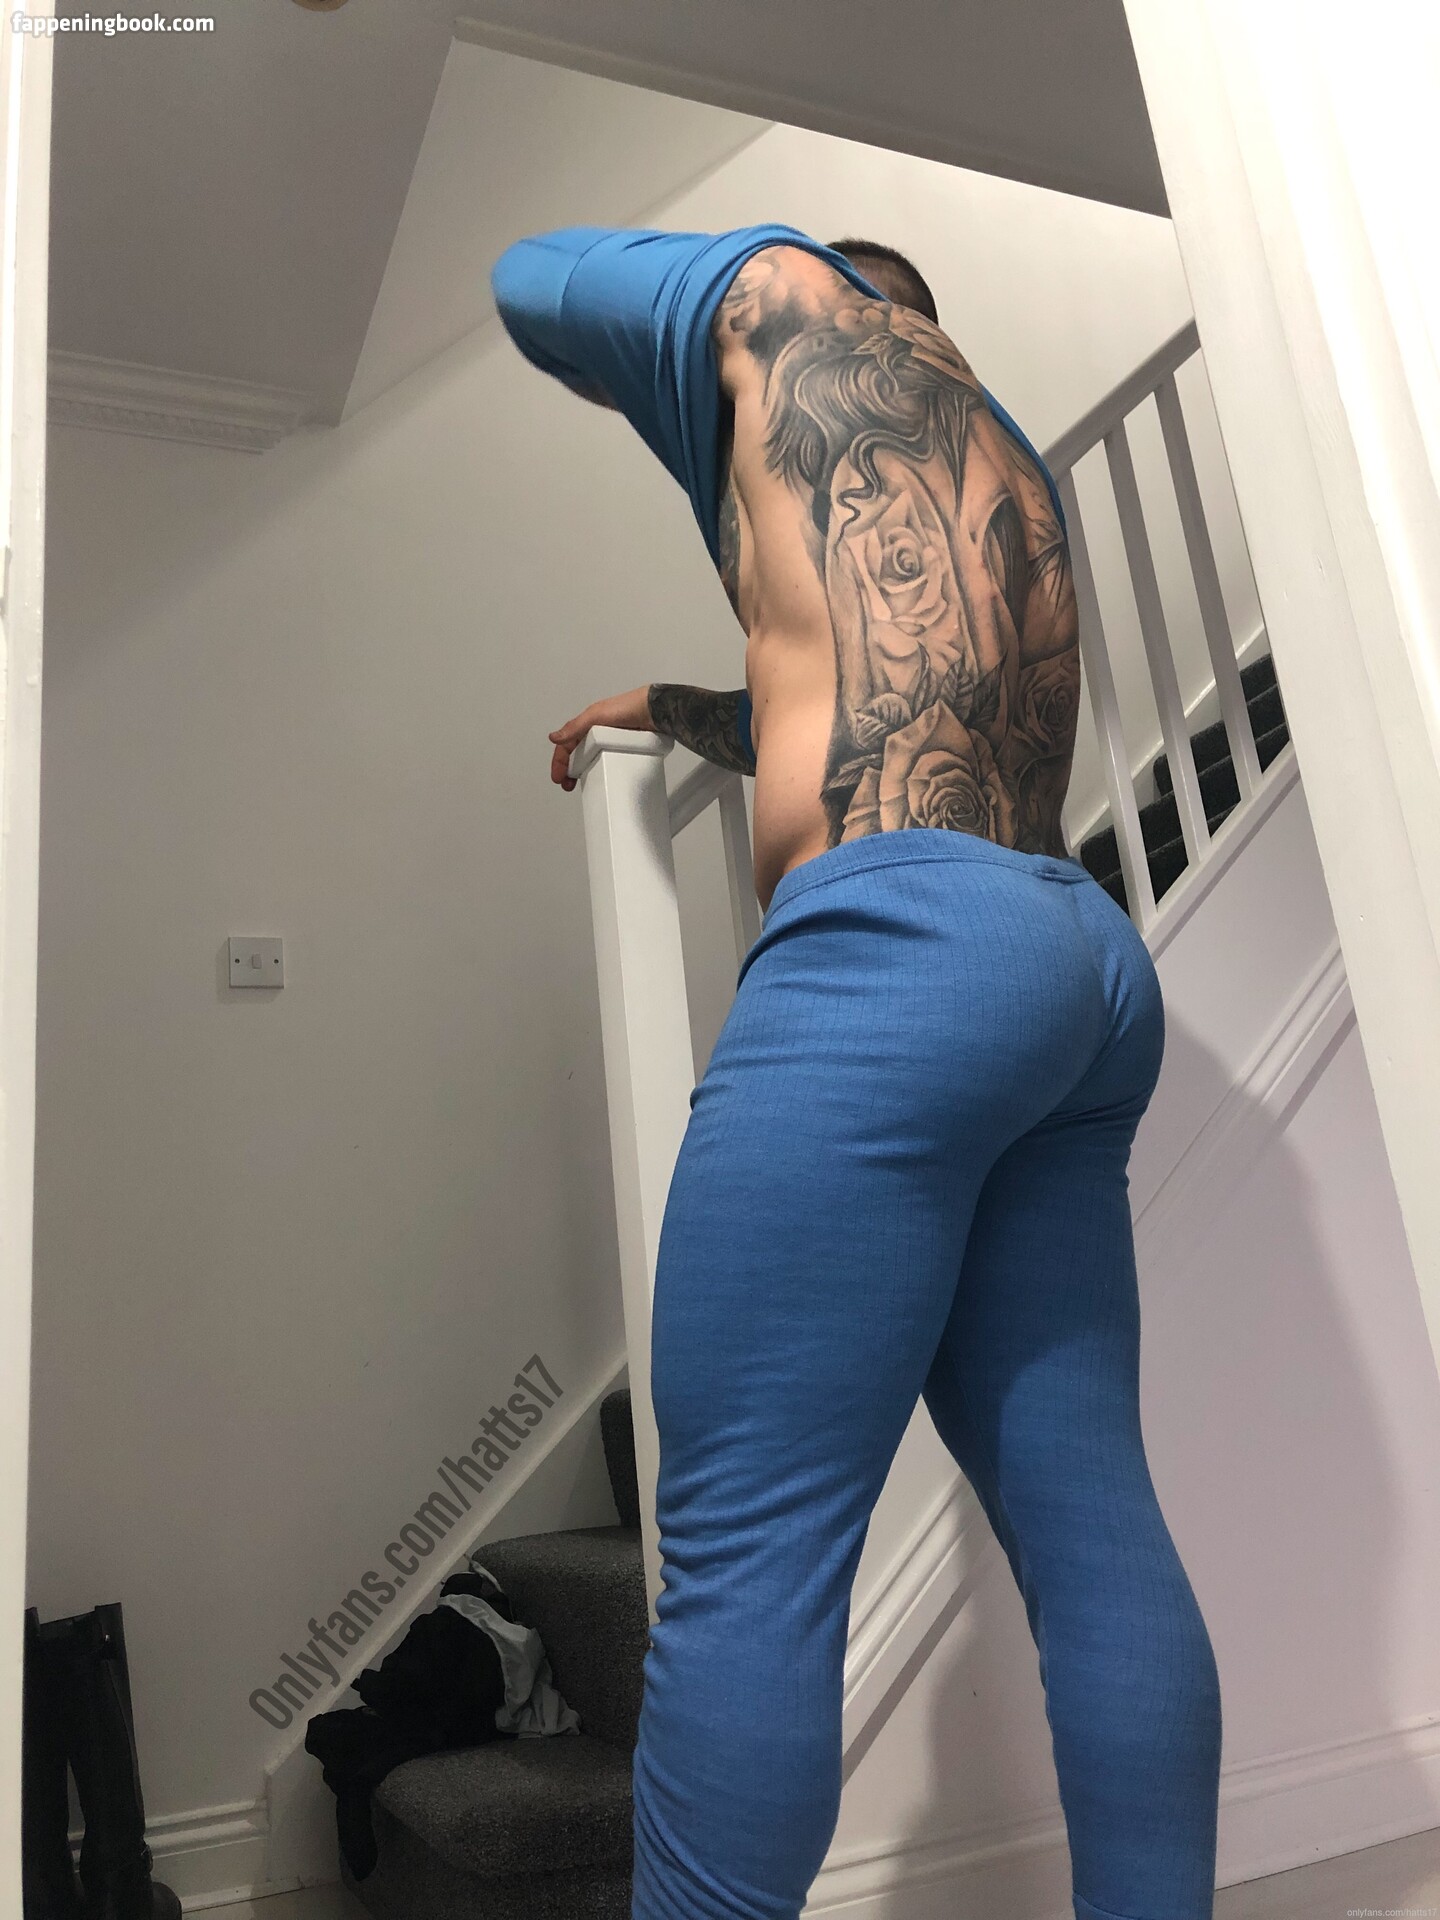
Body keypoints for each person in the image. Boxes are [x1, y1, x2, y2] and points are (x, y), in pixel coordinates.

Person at [492, 223, 1223, 1920]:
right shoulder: (1006, 465)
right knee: (1095, 1534)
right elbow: (875, 690)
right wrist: (679, 697)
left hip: (893, 955)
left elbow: (532, 279)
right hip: (1072, 962)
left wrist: (720, 313)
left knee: (745, 1569)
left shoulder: (775, 306)